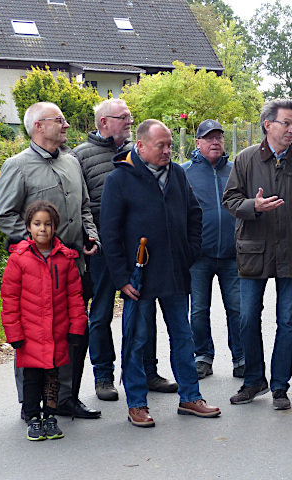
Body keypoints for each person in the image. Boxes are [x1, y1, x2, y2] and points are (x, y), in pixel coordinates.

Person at [100, 119, 220, 427]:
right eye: (161, 146)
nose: (168, 151)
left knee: (183, 336)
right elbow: (109, 233)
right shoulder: (119, 180)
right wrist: (121, 277)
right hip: (138, 276)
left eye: (169, 145)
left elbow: (195, 214)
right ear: (140, 146)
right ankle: (137, 403)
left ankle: (191, 398)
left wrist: (190, 251)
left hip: (176, 272)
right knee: (136, 339)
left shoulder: (178, 174)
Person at [0, 101, 101, 419]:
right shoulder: (18, 165)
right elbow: (3, 217)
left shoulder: (71, 162)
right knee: (33, 334)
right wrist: (39, 245)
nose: (67, 125)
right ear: (39, 126)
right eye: (60, 120)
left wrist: (89, 235)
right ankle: (31, 404)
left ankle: (66, 398)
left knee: (72, 332)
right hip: (36, 271)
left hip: (73, 267)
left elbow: (84, 208)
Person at [223, 99, 292, 410]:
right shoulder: (245, 160)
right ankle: (254, 380)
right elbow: (229, 200)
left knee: (288, 322)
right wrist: (252, 207)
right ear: (267, 125)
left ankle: (280, 387)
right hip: (254, 251)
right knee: (246, 319)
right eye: (287, 123)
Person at [73, 99, 177, 400]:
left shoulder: (138, 151)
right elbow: (81, 205)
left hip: (141, 248)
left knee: (146, 310)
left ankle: (148, 372)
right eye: (124, 117)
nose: (130, 122)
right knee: (102, 311)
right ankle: (103, 376)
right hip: (105, 249)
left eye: (131, 117)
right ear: (104, 122)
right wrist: (90, 238)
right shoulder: (80, 156)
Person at [1, 201, 88, 441]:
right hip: (30, 333)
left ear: (55, 227)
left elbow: (75, 297)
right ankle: (32, 417)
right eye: (37, 224)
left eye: (48, 224)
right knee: (32, 376)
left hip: (57, 331)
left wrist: (77, 327)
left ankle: (50, 415)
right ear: (28, 227)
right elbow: (9, 299)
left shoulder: (66, 259)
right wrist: (14, 334)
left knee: (53, 375)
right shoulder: (19, 259)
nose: (43, 229)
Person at [182, 119, 244, 380]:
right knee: (198, 310)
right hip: (199, 256)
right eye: (209, 138)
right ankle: (202, 356)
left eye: (218, 137)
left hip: (232, 255)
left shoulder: (236, 170)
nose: (215, 142)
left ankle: (241, 357)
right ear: (198, 143)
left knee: (238, 309)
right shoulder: (183, 172)